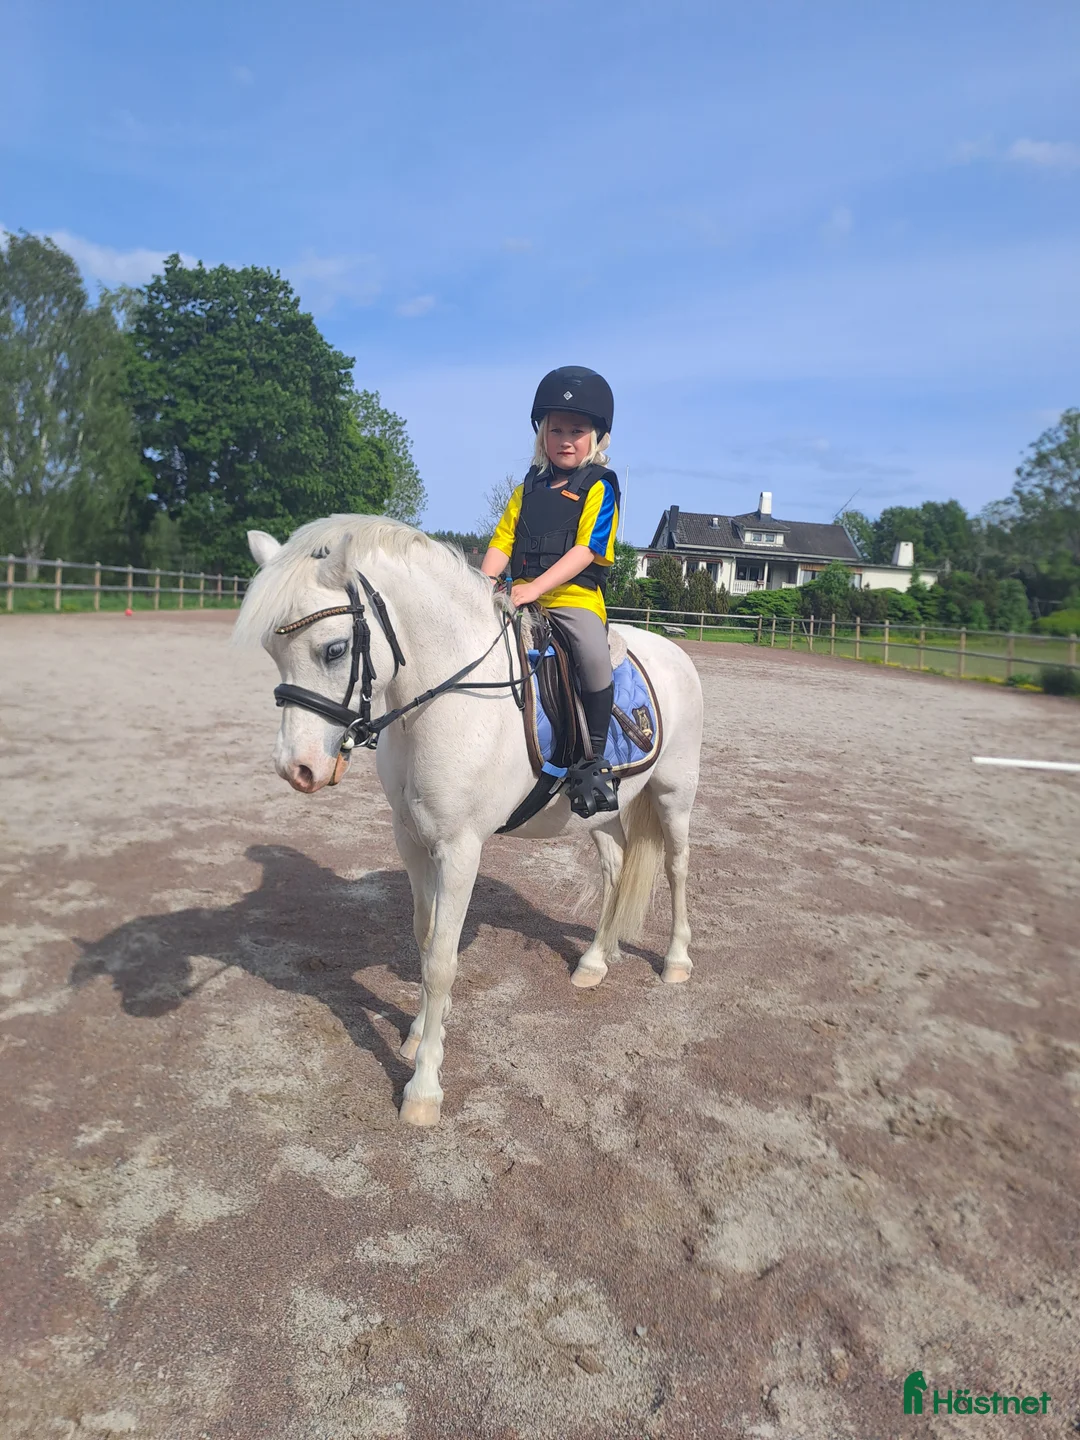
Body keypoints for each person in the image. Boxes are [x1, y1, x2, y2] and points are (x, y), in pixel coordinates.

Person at [481, 365, 621, 817]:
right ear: (541, 434)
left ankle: (593, 759)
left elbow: (587, 549)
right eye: (555, 429)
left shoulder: (599, 487)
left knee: (593, 657)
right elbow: (503, 540)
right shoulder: (527, 489)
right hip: (518, 595)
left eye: (576, 430)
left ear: (596, 436)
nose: (565, 439)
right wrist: (482, 584)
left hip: (571, 600)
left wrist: (535, 588)